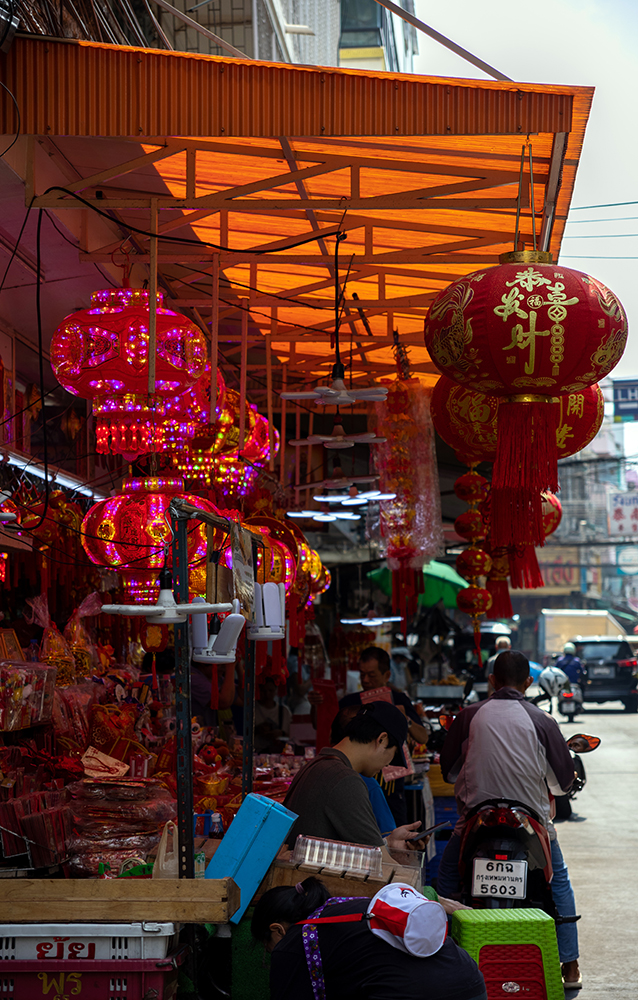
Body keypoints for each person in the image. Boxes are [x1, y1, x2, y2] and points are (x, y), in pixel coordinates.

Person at [437, 650, 582, 991]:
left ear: (492, 680)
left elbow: (449, 772)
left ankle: (437, 953)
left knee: (446, 877)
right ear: (529, 682)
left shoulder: (469, 716)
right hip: (530, 821)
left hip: (477, 818)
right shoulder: (543, 720)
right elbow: (562, 785)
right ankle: (570, 963)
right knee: (558, 881)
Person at [251, 876, 487, 1000]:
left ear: (277, 930)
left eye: (268, 947)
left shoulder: (292, 943)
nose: (272, 954)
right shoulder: (349, 906)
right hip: (471, 983)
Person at [283, 702, 422, 859]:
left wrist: (388, 843)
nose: (388, 764)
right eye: (394, 753)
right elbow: (382, 865)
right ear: (382, 740)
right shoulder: (345, 780)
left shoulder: (317, 765)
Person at [339, 646, 430, 825]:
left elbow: (423, 737)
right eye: (362, 674)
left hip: (392, 784)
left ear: (387, 675)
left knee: (394, 829)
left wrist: (405, 719)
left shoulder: (399, 700)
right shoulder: (350, 703)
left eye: (371, 675)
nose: (365, 680)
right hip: (356, 781)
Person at [191, 661, 236, 727]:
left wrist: (237, 667)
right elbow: (223, 702)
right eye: (220, 664)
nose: (224, 668)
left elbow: (243, 699)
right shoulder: (193, 678)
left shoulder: (214, 677)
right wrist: (231, 666)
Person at [255, 674, 292, 752]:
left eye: (270, 690)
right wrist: (257, 730)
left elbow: (292, 736)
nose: (267, 694)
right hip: (256, 750)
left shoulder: (284, 711)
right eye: (264, 691)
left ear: (276, 691)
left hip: (279, 752)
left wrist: (281, 733)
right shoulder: (253, 709)